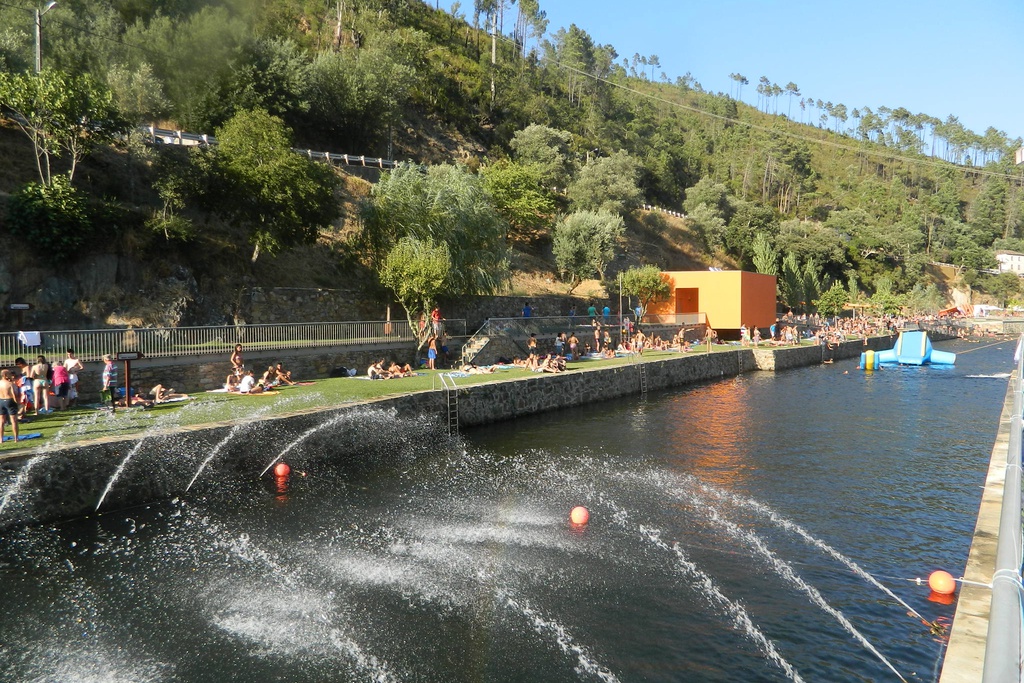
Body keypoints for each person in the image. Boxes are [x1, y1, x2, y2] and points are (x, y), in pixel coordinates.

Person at [0, 369, 19, 444]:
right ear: (5, 375)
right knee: (13, 420)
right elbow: (14, 394)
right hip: (9, 400)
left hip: (1, 401)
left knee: (1, 421)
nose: (10, 375)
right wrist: (16, 403)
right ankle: (16, 439)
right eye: (8, 374)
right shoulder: (10, 384)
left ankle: (1, 439)